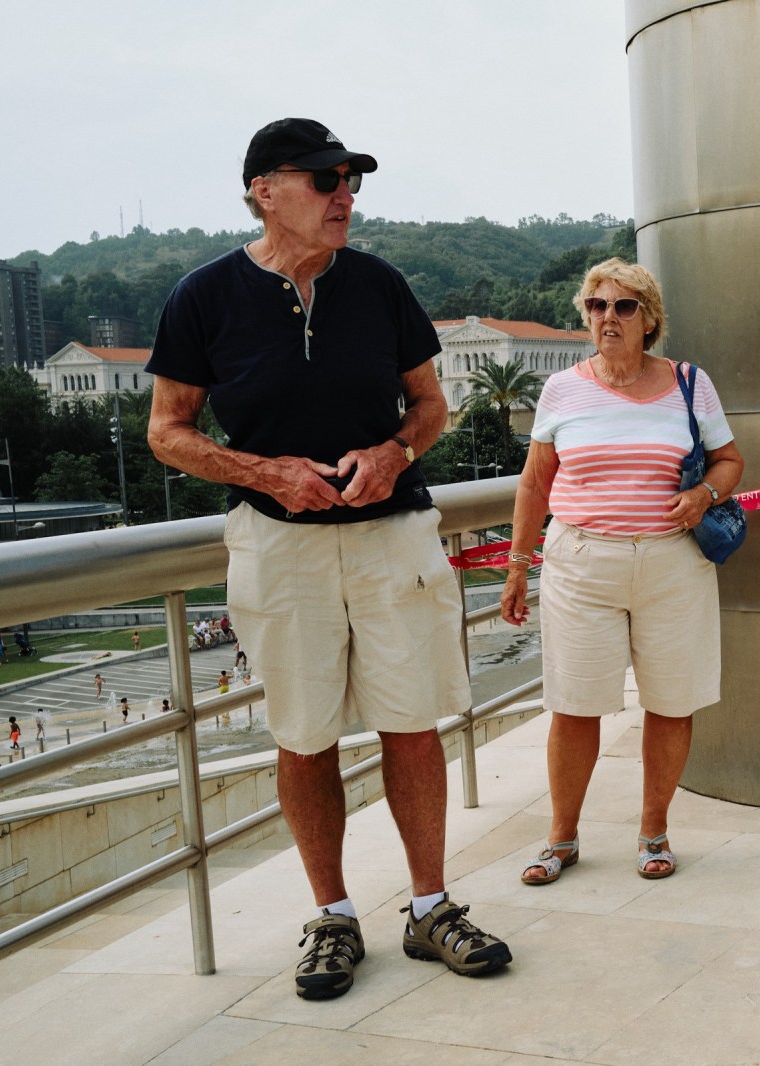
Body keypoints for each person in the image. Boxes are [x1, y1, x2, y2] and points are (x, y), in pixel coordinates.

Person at [146, 117, 509, 1000]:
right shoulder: (205, 297)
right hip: (279, 549)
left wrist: (395, 452)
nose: (345, 196)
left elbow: (430, 406)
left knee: (413, 721)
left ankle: (431, 908)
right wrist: (260, 471)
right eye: (325, 181)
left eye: (351, 181)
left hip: (393, 539)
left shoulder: (380, 285)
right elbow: (166, 431)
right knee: (303, 736)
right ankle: (333, 919)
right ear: (265, 190)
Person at [499, 258, 744, 885]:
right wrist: (518, 564)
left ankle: (654, 829)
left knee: (671, 702)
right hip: (581, 565)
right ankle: (560, 839)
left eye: (624, 306)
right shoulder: (562, 391)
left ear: (649, 317)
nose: (609, 317)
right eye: (597, 306)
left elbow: (729, 460)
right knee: (575, 706)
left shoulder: (691, 383)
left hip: (672, 563)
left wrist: (704, 497)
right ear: (586, 315)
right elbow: (534, 483)